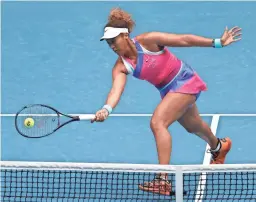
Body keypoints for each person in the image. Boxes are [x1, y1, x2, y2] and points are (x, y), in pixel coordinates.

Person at [91, 8, 242, 195]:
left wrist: (217, 43)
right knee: (193, 126)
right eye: (108, 43)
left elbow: (183, 39)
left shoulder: (149, 41)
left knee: (158, 123)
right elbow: (116, 90)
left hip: (184, 80)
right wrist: (106, 109)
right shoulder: (121, 66)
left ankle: (163, 179)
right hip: (168, 91)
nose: (112, 46)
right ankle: (219, 146)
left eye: (113, 41)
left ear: (125, 35)